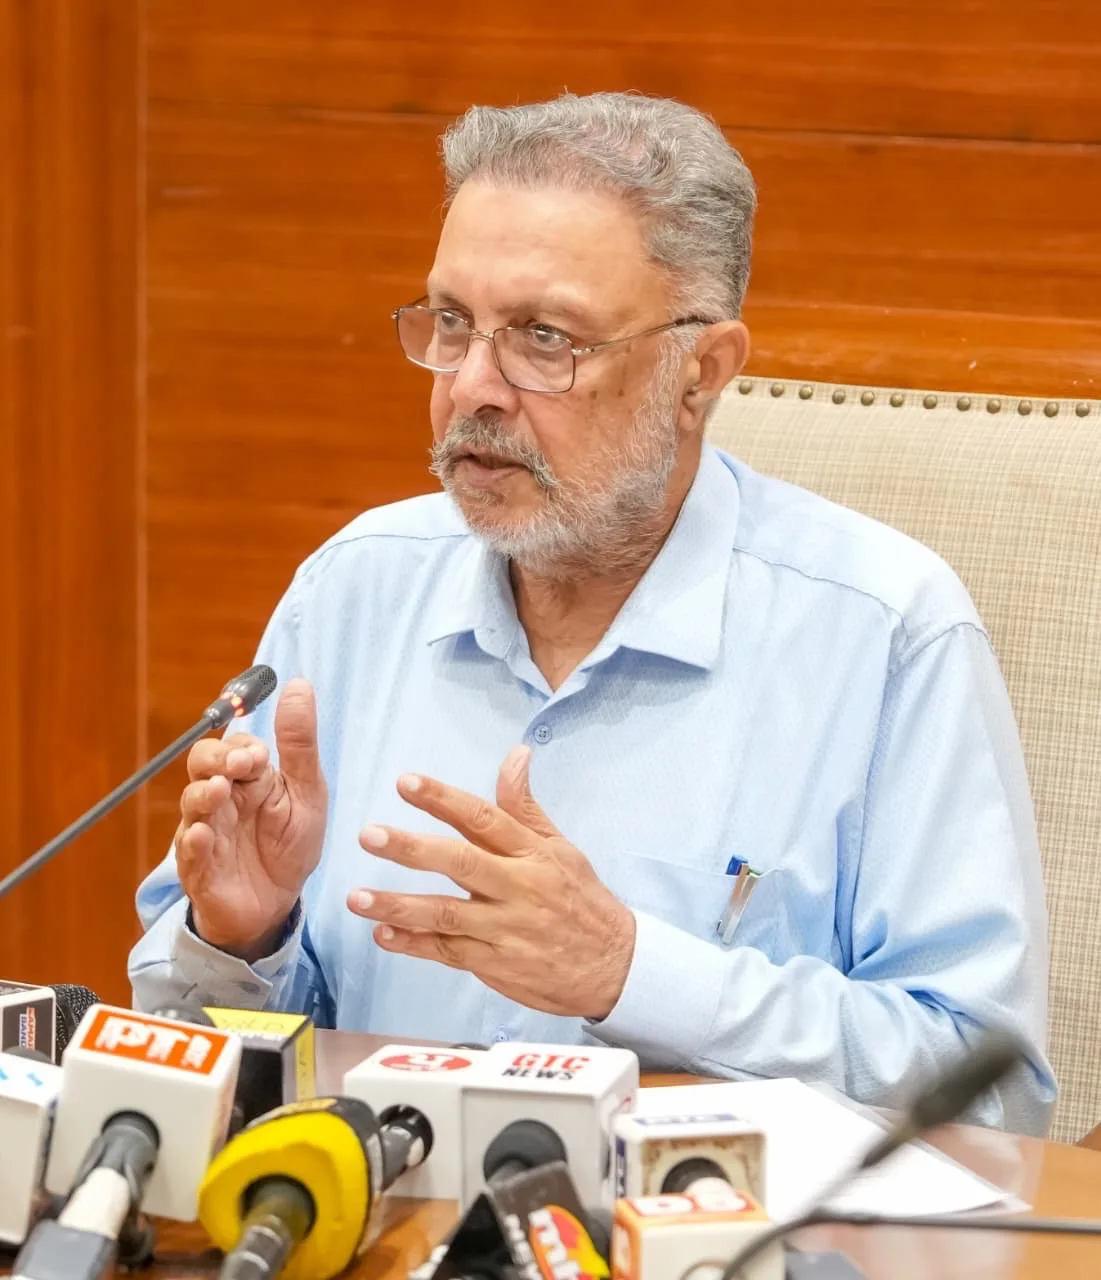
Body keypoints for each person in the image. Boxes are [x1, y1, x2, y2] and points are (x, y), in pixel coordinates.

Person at [129, 91, 1055, 1134]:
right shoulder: (354, 590)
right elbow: (186, 1058)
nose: (471, 388)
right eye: (450, 323)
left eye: (543, 338)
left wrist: (630, 971)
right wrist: (244, 938)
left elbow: (992, 1092)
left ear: (699, 373)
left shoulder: (884, 630)